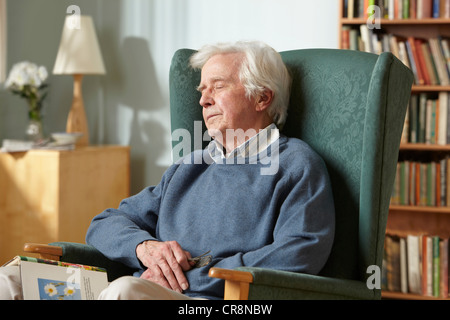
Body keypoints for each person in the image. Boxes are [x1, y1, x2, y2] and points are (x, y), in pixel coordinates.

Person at [0, 41, 335, 300]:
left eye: (217, 86)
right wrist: (145, 249)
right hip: (144, 287)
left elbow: (301, 253)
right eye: (202, 91)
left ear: (262, 97)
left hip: (207, 298)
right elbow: (104, 223)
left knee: (124, 293)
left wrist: (187, 276)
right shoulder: (189, 167)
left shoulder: (296, 165)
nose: (204, 101)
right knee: (11, 280)